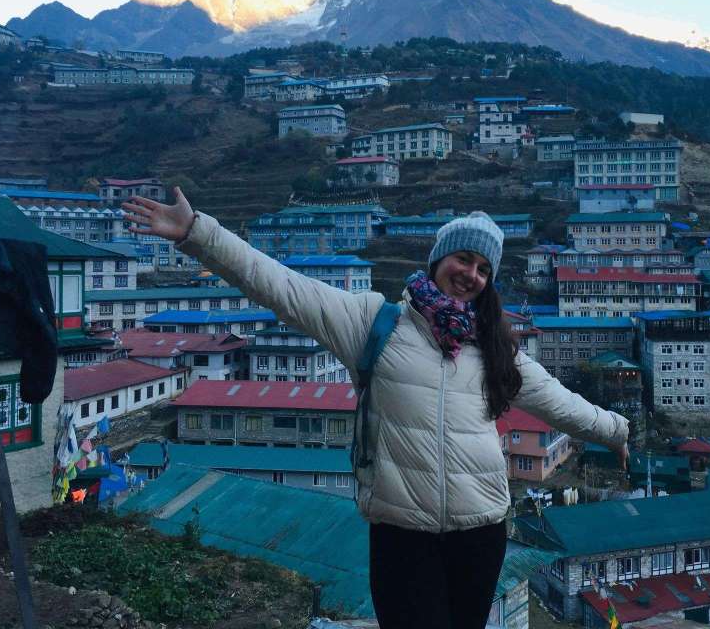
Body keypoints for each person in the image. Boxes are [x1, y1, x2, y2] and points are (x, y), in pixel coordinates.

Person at [123, 188, 630, 629]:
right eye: (463, 260)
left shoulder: (495, 348)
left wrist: (615, 431)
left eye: (483, 269)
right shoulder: (374, 323)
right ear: (438, 259)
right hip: (402, 535)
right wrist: (197, 232)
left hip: (481, 531)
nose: (471, 275)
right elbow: (280, 286)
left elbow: (559, 402)